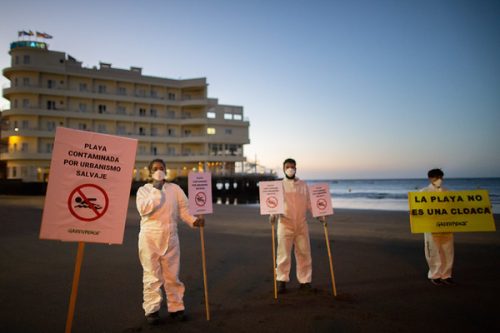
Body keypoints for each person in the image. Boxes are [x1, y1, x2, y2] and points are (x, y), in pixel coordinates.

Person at [136, 159, 204, 325]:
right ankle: (152, 310)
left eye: (161, 168)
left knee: (172, 275)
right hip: (149, 237)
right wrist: (157, 189)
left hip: (171, 236)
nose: (158, 170)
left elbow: (184, 211)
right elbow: (143, 209)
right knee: (151, 275)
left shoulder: (175, 189)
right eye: (155, 168)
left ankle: (176, 307)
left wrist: (195, 221)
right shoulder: (143, 190)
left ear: (166, 170)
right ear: (150, 172)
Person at [270, 158, 314, 293]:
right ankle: (281, 281)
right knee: (283, 254)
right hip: (285, 224)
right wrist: (272, 215)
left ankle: (305, 281)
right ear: (283, 169)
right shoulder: (278, 186)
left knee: (304, 253)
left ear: (296, 168)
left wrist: (321, 215)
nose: (290, 169)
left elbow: (310, 203)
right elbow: (273, 203)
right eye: (287, 167)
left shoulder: (303, 185)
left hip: (301, 224)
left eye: (292, 167)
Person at [420, 168, 455, 286]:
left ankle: (446, 275)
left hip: (446, 225)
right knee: (433, 250)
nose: (439, 180)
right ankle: (435, 275)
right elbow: (417, 208)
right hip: (431, 226)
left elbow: (456, 208)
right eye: (436, 178)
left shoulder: (448, 192)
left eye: (440, 177)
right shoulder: (423, 192)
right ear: (430, 178)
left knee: (448, 251)